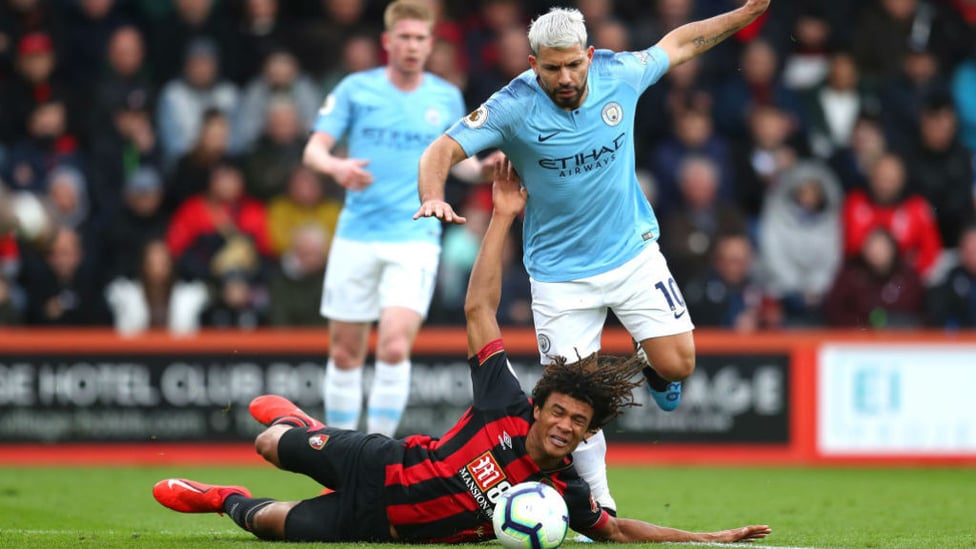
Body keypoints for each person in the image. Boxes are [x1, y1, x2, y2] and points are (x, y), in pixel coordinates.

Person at [151, 159, 772, 545]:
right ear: (540, 404)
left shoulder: (561, 492)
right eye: (560, 412)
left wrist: (710, 539)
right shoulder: (502, 400)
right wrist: (502, 218)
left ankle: (215, 497)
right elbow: (479, 311)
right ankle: (304, 427)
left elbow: (618, 532)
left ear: (586, 439)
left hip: (381, 530)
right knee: (268, 445)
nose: (564, 427)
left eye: (578, 425)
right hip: (379, 465)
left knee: (265, 523)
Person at [414, 1, 772, 512]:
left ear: (589, 54)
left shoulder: (619, 73)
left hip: (632, 255)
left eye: (573, 64)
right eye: (552, 67)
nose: (565, 77)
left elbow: (681, 42)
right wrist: (432, 194)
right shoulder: (512, 105)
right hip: (560, 278)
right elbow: (441, 150)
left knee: (681, 363)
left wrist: (743, 14)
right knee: (572, 402)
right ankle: (599, 507)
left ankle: (653, 365)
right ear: (533, 63)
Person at [302, 0, 493, 438]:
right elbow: (313, 150)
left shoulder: (444, 96)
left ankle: (376, 453)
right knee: (347, 353)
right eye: (404, 37)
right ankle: (339, 455)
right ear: (388, 42)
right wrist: (337, 168)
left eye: (420, 39)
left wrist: (482, 168)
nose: (412, 46)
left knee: (392, 345)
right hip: (357, 235)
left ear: (430, 45)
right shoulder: (356, 89)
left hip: (415, 235)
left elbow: (455, 160)